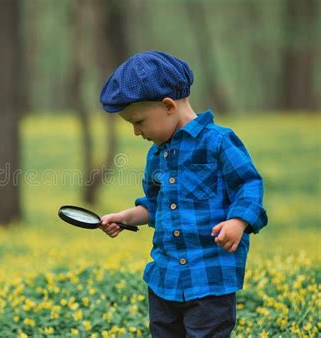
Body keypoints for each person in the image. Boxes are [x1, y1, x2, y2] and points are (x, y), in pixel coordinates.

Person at [98, 51, 268, 337]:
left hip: (210, 278)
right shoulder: (156, 155)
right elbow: (155, 205)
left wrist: (238, 221)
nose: (136, 132)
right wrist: (125, 216)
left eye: (139, 122)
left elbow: (249, 185)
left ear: (168, 106)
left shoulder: (219, 142)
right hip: (165, 280)